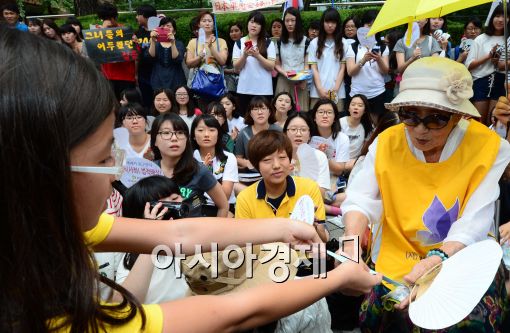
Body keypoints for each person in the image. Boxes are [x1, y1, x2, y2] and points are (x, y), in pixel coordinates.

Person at [0, 28, 381, 331]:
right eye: (103, 159)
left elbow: (179, 235)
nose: (116, 175)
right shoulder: (59, 319)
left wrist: (282, 227)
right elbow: (232, 314)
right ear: (40, 172)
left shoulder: (47, 226)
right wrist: (339, 278)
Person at [341, 56, 510, 331]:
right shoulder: (386, 143)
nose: (420, 129)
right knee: (382, 318)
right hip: (397, 259)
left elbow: (474, 221)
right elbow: (360, 200)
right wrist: (351, 246)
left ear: (458, 115)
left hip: (463, 259)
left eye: (436, 119)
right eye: (409, 115)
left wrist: (438, 259)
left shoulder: (490, 147)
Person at [236, 130, 329, 243]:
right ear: (257, 165)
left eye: (282, 157)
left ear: (290, 160)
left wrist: (315, 228)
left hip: (304, 257)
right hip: (265, 259)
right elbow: (244, 244)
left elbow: (324, 240)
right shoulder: (245, 198)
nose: (276, 165)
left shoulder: (309, 188)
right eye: (267, 160)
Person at [113, 176, 189, 304]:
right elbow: (124, 303)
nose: (174, 208)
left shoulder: (190, 241)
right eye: (160, 207)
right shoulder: (134, 257)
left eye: (175, 198)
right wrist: (153, 235)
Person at [150, 113, 229, 217]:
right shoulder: (149, 171)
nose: (174, 138)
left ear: (187, 139)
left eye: (180, 132)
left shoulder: (200, 171)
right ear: (154, 140)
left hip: (192, 231)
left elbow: (223, 206)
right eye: (166, 133)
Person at [467, 4, 508, 125]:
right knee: (478, 122)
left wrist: (499, 62)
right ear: (492, 18)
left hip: (502, 82)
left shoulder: (508, 39)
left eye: (505, 16)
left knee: (494, 123)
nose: (500, 20)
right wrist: (489, 56)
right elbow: (468, 65)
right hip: (481, 82)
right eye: (497, 15)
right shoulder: (481, 38)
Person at [345, 10, 389, 124]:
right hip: (357, 94)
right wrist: (363, 60)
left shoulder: (383, 47)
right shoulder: (353, 47)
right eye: (369, 25)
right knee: (356, 124)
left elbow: (385, 71)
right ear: (362, 26)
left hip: (377, 93)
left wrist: (379, 59)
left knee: (375, 125)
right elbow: (350, 72)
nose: (371, 29)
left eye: (375, 26)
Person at [191, 114, 238, 216]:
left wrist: (206, 172)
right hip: (196, 206)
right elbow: (187, 192)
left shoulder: (228, 158)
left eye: (212, 130)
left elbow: (225, 195)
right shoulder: (190, 158)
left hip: (224, 206)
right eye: (200, 130)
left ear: (218, 134)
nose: (206, 134)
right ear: (193, 135)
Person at [233, 11, 276, 116]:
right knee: (245, 119)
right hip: (244, 89)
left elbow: (271, 66)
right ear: (247, 23)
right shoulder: (239, 43)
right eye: (252, 22)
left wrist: (258, 56)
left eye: (257, 23)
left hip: (264, 90)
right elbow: (236, 67)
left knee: (263, 119)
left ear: (262, 27)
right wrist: (244, 55)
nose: (254, 25)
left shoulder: (268, 42)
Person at [235, 97, 281, 187]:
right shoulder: (244, 133)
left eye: (263, 108)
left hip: (275, 173)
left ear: (269, 112)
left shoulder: (278, 131)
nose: (260, 112)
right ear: (251, 114)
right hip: (251, 177)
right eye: (255, 109)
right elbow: (237, 158)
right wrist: (246, 163)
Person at [185, 11, 228, 107]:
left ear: (214, 23)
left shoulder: (221, 42)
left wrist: (211, 46)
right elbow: (189, 63)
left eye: (210, 20)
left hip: (217, 83)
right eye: (204, 21)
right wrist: (200, 56)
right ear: (199, 24)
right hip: (199, 83)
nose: (207, 23)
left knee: (217, 111)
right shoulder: (193, 42)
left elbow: (222, 61)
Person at [283, 112, 330, 198]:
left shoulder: (319, 156)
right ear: (285, 133)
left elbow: (321, 194)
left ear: (309, 135)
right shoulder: (278, 157)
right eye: (293, 129)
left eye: (303, 130)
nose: (298, 134)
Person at [96, 3, 136, 101]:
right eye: (103, 19)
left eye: (109, 18)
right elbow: (95, 53)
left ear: (114, 18)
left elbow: (135, 54)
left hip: (126, 76)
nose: (106, 21)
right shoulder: (96, 32)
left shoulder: (126, 31)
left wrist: (135, 43)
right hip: (108, 76)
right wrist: (103, 32)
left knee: (128, 105)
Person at [308, 8, 345, 111]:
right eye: (327, 21)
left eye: (333, 22)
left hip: (337, 92)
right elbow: (314, 68)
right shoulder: (314, 43)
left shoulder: (343, 43)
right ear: (322, 23)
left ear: (337, 24)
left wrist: (335, 89)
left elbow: (343, 68)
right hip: (317, 92)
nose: (330, 25)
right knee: (317, 121)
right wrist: (320, 89)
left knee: (336, 121)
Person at [274, 7, 310, 112]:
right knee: (282, 113)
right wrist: (285, 73)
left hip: (300, 82)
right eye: (287, 20)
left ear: (297, 21)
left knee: (301, 113)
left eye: (293, 20)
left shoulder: (306, 41)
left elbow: (307, 65)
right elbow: (276, 64)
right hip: (283, 81)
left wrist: (304, 79)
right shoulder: (279, 42)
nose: (290, 24)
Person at [148, 17, 186, 91]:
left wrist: (172, 42)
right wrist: (152, 40)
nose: (165, 28)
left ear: (174, 31)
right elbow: (151, 56)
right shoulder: (155, 43)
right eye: (163, 26)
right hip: (158, 77)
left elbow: (177, 58)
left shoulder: (179, 43)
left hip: (176, 78)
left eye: (169, 26)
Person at [134, 4, 157, 107]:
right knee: (147, 101)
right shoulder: (137, 34)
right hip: (143, 73)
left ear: (144, 15)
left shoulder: (159, 32)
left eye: (138, 14)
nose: (136, 17)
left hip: (158, 72)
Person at [339, 94, 373, 166]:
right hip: (338, 160)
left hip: (354, 163)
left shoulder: (367, 127)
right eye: (353, 104)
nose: (356, 107)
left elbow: (364, 149)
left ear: (364, 111)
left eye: (360, 105)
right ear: (348, 108)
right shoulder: (340, 123)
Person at [224, 22, 243, 94]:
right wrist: (233, 70)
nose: (234, 33)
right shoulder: (225, 46)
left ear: (242, 33)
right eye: (231, 31)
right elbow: (221, 69)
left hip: (244, 78)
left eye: (236, 30)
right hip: (231, 79)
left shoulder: (245, 45)